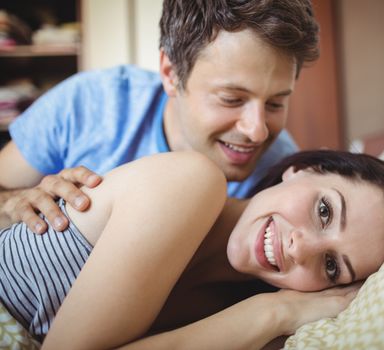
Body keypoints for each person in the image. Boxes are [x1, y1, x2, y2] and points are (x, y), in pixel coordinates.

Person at [0, 150, 384, 349]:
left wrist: (270, 318)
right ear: (302, 169)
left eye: (332, 266)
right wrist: (268, 313)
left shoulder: (232, 315)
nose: (301, 247)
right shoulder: (192, 181)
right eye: (325, 212)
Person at [0, 0, 320, 234]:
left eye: (276, 104)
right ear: (171, 73)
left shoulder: (282, 174)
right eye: (232, 99)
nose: (257, 131)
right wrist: (14, 202)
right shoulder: (89, 103)